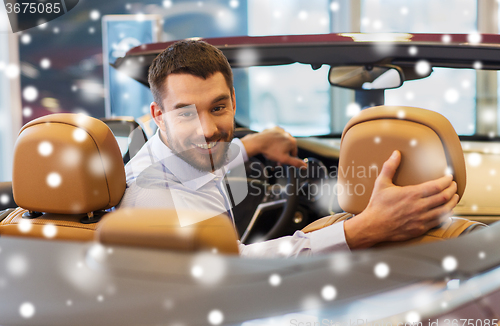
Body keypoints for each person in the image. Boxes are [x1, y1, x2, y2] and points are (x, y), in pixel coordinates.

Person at [118, 40, 458, 257]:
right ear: (158, 116)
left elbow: (212, 156)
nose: (207, 129)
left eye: (218, 108)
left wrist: (256, 143)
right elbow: (234, 270)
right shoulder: (153, 196)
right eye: (186, 113)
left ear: (234, 102)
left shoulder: (180, 152)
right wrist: (363, 229)